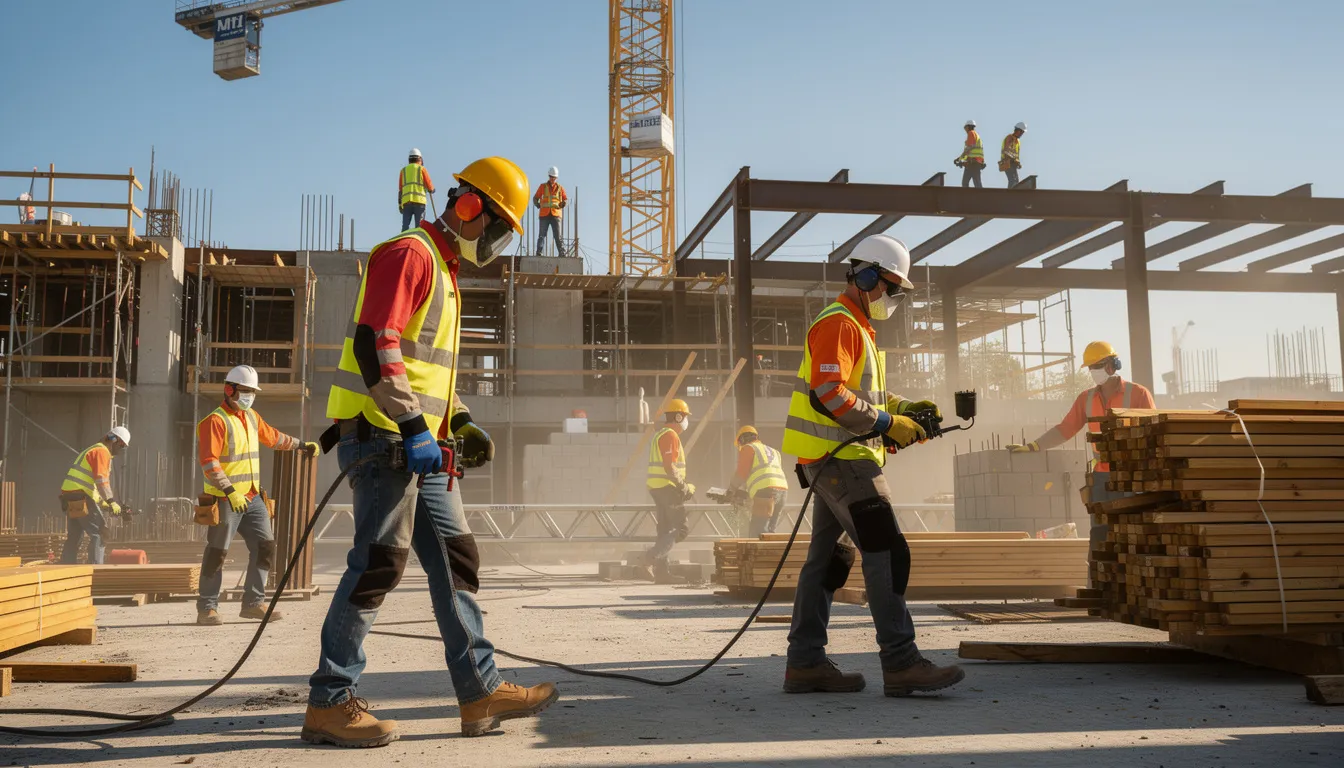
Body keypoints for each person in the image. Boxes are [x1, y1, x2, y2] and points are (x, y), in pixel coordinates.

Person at [307, 156, 556, 748]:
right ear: (469, 206)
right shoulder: (409, 253)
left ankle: (480, 691)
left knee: (456, 558)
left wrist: (459, 418)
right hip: (385, 436)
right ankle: (329, 699)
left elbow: (428, 368)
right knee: (379, 565)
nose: (492, 243)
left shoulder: (442, 269)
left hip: (422, 443)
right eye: (494, 227)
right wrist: (415, 425)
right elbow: (377, 342)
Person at [781, 233, 966, 698]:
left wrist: (903, 409)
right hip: (845, 462)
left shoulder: (857, 327)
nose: (893, 298)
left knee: (828, 561)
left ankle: (804, 664)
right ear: (865, 277)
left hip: (833, 462)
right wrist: (887, 422)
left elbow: (856, 392)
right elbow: (829, 393)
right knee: (887, 550)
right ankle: (902, 662)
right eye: (890, 287)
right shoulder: (840, 323)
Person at [1006, 341, 1155, 572]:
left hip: (1131, 476)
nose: (1094, 371)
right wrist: (1034, 446)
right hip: (1102, 477)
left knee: (1130, 529)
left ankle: (1134, 576)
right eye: (1090, 367)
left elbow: (1153, 433)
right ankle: (1098, 579)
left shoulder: (1138, 394)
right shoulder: (1086, 399)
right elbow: (1065, 429)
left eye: (1098, 365)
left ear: (1112, 364)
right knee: (1099, 531)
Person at [195, 365, 316, 626]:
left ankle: (253, 603)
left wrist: (302, 444)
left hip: (252, 497)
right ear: (230, 390)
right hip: (225, 500)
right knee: (217, 553)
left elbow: (273, 438)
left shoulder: (251, 417)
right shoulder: (214, 421)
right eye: (246, 391)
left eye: (253, 392)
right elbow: (209, 463)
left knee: (265, 547)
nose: (250, 396)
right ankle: (207, 608)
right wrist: (229, 491)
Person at [58, 427, 131, 565]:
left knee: (75, 535)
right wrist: (111, 501)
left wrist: (103, 503)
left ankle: (66, 566)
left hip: (69, 497)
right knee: (101, 533)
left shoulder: (92, 450)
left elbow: (89, 484)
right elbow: (101, 480)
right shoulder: (102, 451)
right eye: (121, 445)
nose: (121, 449)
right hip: (80, 497)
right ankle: (96, 569)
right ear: (115, 440)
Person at [639, 399, 694, 581]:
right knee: (682, 529)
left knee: (665, 530)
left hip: (658, 488)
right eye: (685, 416)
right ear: (678, 416)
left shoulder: (660, 434)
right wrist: (683, 486)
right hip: (667, 488)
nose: (686, 420)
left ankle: (662, 573)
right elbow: (669, 466)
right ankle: (648, 558)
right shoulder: (670, 435)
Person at [727, 426, 788, 537]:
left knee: (757, 533)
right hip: (782, 492)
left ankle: (760, 555)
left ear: (742, 440)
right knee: (770, 532)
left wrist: (731, 489)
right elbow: (762, 474)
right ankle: (772, 555)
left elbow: (741, 473)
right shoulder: (774, 451)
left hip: (766, 492)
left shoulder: (748, 448)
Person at [532, 166, 568, 256]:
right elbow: (535, 198)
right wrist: (537, 204)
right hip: (544, 215)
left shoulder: (560, 188)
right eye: (551, 177)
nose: (552, 179)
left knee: (558, 236)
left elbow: (565, 199)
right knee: (542, 235)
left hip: (556, 215)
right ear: (549, 176)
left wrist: (563, 203)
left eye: (554, 177)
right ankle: (539, 252)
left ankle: (562, 253)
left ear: (556, 178)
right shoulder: (542, 187)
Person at [399, 148, 436, 232]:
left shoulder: (403, 171)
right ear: (420, 159)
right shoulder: (422, 169)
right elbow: (429, 185)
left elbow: (400, 189)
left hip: (406, 203)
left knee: (405, 227)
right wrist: (432, 190)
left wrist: (399, 204)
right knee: (419, 228)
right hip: (419, 202)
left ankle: (403, 242)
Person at [954, 119, 985, 188]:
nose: (965, 129)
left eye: (965, 127)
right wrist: (960, 159)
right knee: (976, 182)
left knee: (967, 183)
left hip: (973, 163)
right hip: (975, 162)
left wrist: (960, 159)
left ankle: (972, 197)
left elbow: (969, 148)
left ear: (968, 127)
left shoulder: (971, 133)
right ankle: (979, 196)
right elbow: (970, 151)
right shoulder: (976, 135)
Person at [999, 122, 1027, 187]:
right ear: (1018, 130)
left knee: (1016, 181)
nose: (1022, 134)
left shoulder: (1017, 141)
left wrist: (1018, 162)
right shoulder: (1010, 138)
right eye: (1022, 132)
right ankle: (1010, 195)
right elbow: (1006, 151)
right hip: (1007, 162)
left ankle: (1012, 195)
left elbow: (1016, 154)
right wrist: (1013, 159)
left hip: (1013, 163)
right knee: (1012, 180)